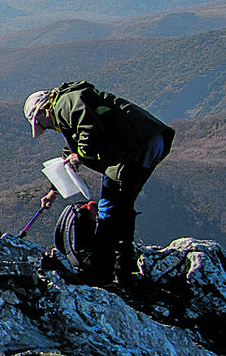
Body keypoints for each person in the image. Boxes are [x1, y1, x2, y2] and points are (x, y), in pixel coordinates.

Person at [27, 82, 175, 285]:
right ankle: (122, 268)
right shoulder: (66, 108)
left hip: (136, 146)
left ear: (43, 110)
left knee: (111, 206)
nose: (46, 128)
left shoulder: (63, 105)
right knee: (120, 204)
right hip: (146, 142)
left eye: (40, 123)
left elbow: (89, 128)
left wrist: (80, 155)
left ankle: (104, 271)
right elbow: (70, 150)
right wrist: (53, 191)